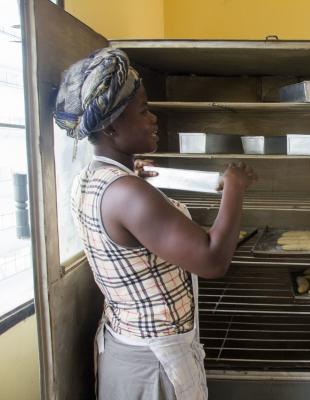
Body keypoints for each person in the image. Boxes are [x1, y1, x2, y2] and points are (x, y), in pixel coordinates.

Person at [54, 47, 257, 400]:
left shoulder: (93, 178)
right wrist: (235, 189)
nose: (153, 119)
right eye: (144, 111)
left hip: (127, 346)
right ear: (112, 126)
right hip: (151, 364)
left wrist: (140, 179)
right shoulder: (128, 193)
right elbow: (212, 259)